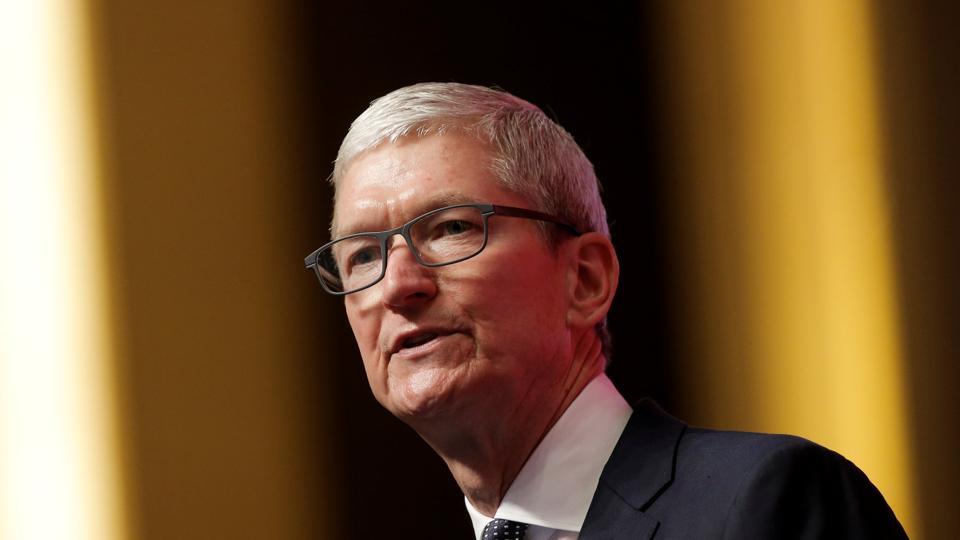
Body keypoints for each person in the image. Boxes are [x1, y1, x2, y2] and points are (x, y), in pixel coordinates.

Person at [304, 82, 906, 539]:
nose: (398, 284)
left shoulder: (761, 503)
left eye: (453, 228)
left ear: (585, 279)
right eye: (362, 256)